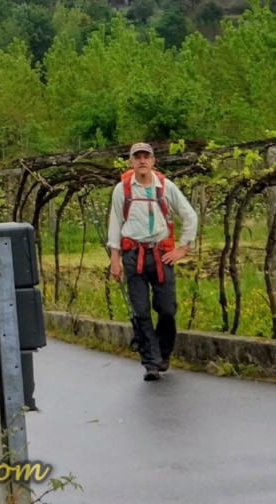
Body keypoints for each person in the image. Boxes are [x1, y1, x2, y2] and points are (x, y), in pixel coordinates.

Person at [106, 141, 198, 382]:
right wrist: (114, 260)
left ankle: (163, 352)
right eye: (138, 157)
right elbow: (115, 224)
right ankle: (151, 363)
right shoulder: (122, 190)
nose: (142, 160)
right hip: (133, 256)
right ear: (131, 162)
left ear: (153, 161)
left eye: (146, 156)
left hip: (161, 255)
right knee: (141, 312)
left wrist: (183, 248)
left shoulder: (166, 187)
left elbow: (190, 215)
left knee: (167, 309)